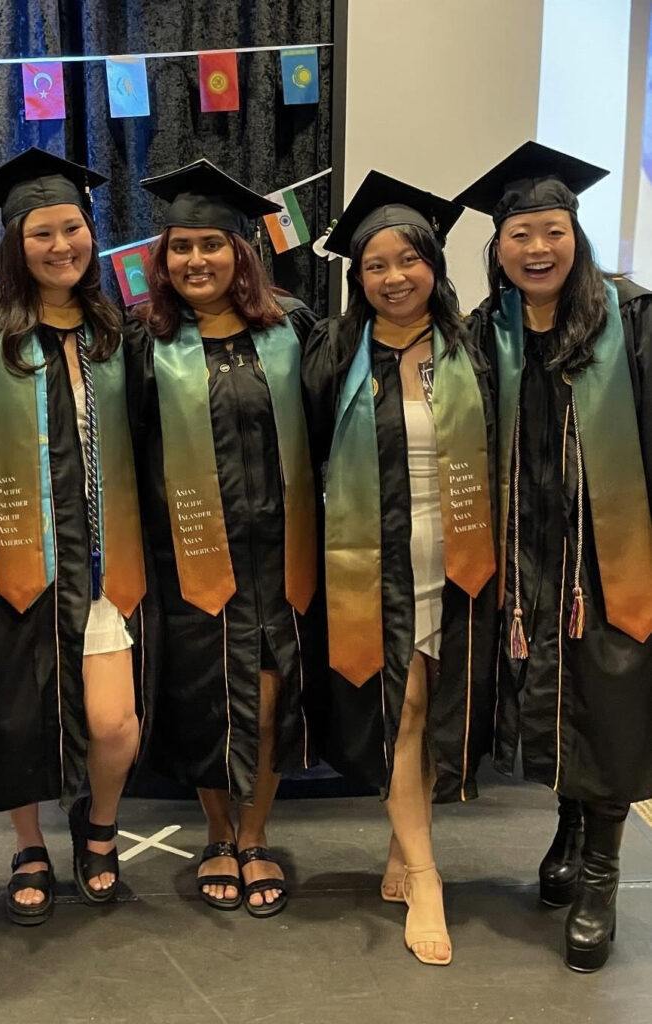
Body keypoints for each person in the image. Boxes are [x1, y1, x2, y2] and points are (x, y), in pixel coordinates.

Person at [456, 140, 652, 972]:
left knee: (607, 702)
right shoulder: (486, 331)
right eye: (520, 235)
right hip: (525, 556)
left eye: (553, 231)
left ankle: (602, 874)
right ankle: (570, 824)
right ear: (497, 248)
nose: (538, 249)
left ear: (578, 235)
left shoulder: (632, 316)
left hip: (609, 554)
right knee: (551, 697)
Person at [0, 149, 147, 925]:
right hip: (15, 557)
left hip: (104, 566)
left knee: (112, 721)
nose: (62, 245)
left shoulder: (114, 327)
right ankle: (29, 843)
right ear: (14, 243)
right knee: (18, 716)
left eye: (73, 228)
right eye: (42, 234)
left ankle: (98, 826)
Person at [302, 172, 499, 966]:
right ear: (358, 276)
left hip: (458, 560)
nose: (393, 277)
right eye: (375, 265)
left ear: (434, 266)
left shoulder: (475, 347)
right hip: (371, 560)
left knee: (431, 710)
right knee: (403, 711)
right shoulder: (335, 353)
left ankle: (400, 845)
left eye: (409, 260)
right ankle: (426, 874)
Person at [127, 159, 318, 917]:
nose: (196, 260)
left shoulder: (292, 328)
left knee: (268, 702)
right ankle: (216, 834)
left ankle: (257, 833)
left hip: (278, 556)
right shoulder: (144, 342)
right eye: (181, 247)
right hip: (188, 557)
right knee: (210, 702)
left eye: (212, 244)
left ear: (243, 251)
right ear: (163, 258)